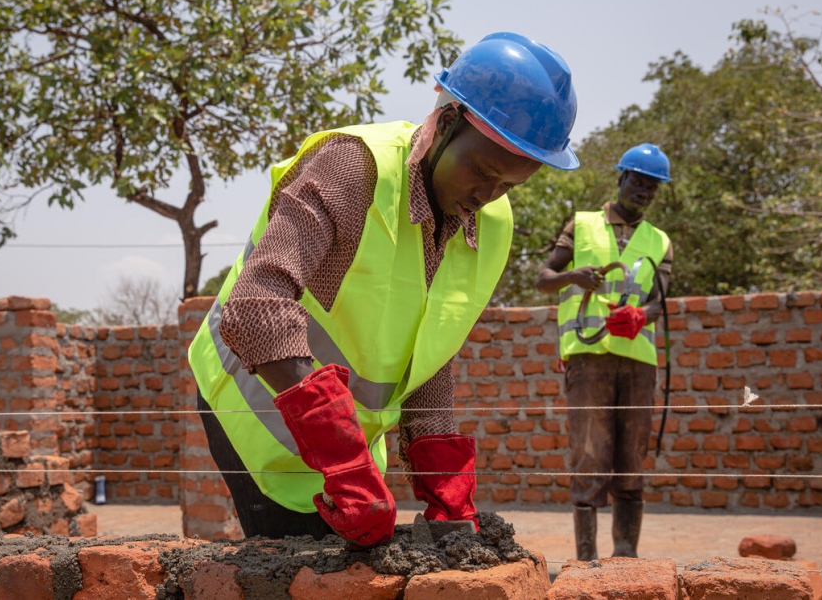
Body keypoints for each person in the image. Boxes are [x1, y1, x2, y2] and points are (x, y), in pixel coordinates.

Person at [188, 32, 580, 547]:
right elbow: (255, 310)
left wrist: (442, 475)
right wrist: (342, 459)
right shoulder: (353, 168)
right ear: (445, 123)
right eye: (482, 172)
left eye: (508, 185)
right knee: (302, 570)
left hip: (344, 440)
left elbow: (430, 350)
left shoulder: (489, 223)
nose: (487, 195)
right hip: (255, 411)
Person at [535, 143, 673, 560]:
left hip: (637, 360)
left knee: (631, 455)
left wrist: (640, 316)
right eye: (638, 181)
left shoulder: (660, 241)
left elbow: (660, 301)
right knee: (590, 451)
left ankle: (626, 557)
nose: (643, 191)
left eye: (652, 187)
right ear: (621, 178)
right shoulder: (582, 225)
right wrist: (574, 274)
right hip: (587, 355)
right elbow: (544, 278)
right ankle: (586, 560)